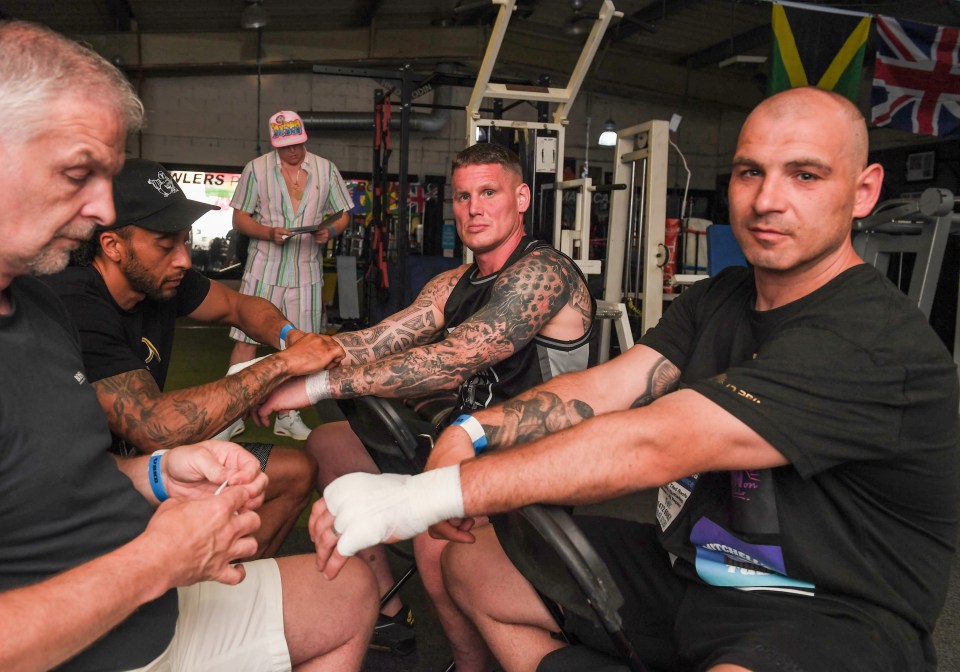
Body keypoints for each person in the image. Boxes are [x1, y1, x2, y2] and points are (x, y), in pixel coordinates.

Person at [309, 87, 960, 672]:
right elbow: (609, 386)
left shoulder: (872, 338)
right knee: (472, 563)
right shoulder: (723, 297)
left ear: (864, 190)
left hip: (827, 611)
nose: (768, 199)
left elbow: (654, 442)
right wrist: (474, 430)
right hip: (698, 573)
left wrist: (423, 496)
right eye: (749, 172)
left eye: (805, 175)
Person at [0, 20, 377, 672]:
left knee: (349, 594)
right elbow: (152, 423)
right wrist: (156, 563)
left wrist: (156, 474)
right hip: (91, 626)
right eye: (77, 173)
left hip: (140, 600)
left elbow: (60, 474)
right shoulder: (71, 297)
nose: (97, 209)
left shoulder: (34, 299)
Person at [256, 142, 596, 660]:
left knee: (434, 542)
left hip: (529, 461)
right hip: (459, 445)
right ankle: (390, 615)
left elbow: (452, 358)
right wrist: (284, 364)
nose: (474, 208)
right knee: (327, 446)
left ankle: (468, 664)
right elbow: (382, 337)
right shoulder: (455, 282)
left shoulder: (543, 274)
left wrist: (315, 387)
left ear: (521, 198)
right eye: (462, 196)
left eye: (489, 193)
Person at [44, 157, 342, 558]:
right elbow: (155, 426)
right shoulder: (75, 301)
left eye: (184, 240)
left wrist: (291, 337)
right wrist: (282, 364)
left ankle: (226, 591)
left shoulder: (162, 280)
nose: (183, 258)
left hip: (146, 462)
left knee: (296, 472)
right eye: (167, 245)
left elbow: (239, 307)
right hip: (86, 492)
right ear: (112, 246)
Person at [228, 109, 353, 441]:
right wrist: (267, 232)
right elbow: (238, 219)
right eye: (286, 147)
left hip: (306, 271)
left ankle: (287, 414)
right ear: (275, 144)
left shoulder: (326, 169)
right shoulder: (256, 170)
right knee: (245, 342)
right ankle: (232, 414)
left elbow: (343, 215)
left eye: (297, 144)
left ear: (304, 138)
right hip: (263, 267)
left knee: (300, 345)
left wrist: (330, 230)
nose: (293, 152)